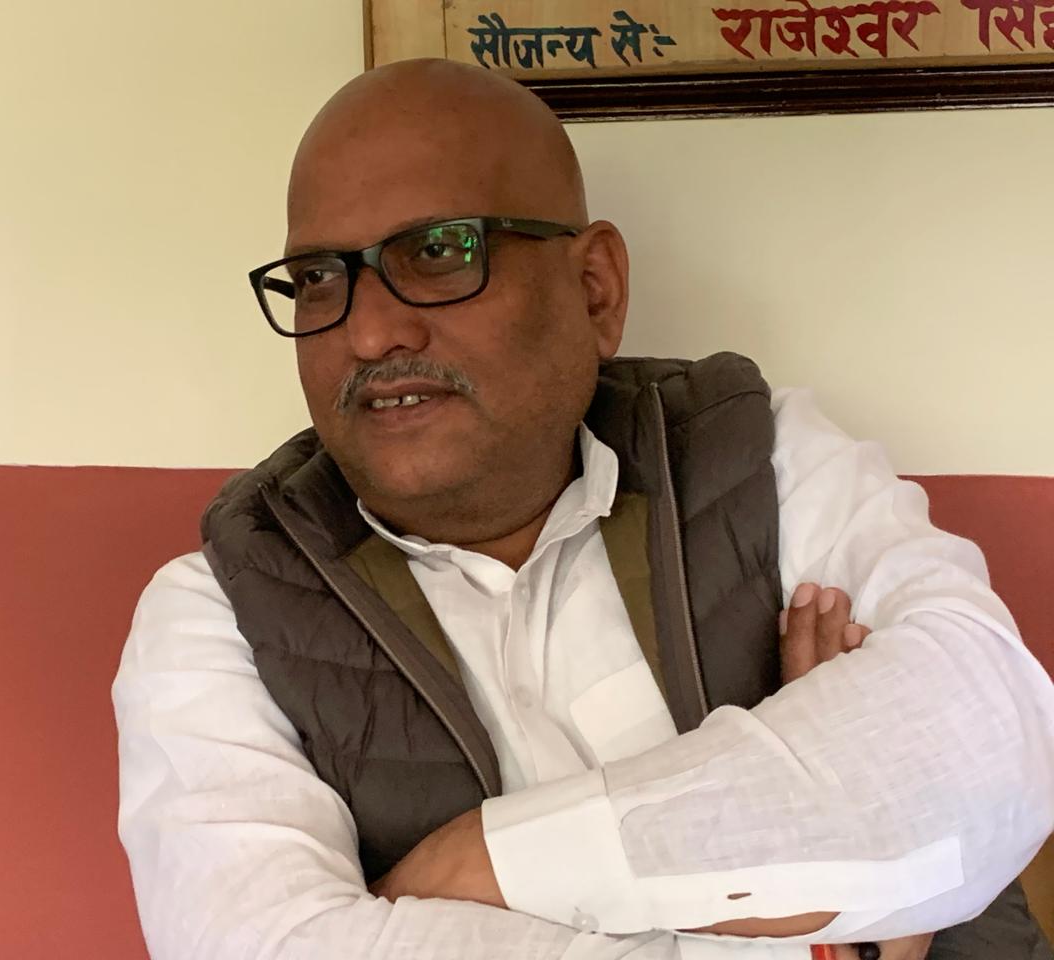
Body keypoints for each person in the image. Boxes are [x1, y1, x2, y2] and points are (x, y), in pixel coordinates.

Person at [112, 59, 1054, 960]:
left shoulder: (758, 457)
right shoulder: (221, 608)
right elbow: (263, 945)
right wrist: (826, 906)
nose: (368, 330)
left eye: (439, 251)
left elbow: (988, 744)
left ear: (595, 288)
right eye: (320, 277)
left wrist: (482, 862)